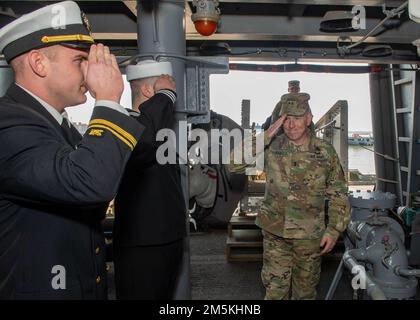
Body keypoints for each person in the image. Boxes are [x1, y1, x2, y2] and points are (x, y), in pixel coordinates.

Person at [0, 1, 144, 299]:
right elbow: (90, 184)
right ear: (39, 63)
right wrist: (107, 99)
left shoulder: (55, 123)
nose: (89, 70)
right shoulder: (7, 123)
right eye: (79, 60)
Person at [229, 93, 350, 300]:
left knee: (305, 293)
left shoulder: (324, 151)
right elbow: (233, 163)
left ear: (309, 118)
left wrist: (334, 229)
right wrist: (267, 134)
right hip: (276, 233)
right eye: (287, 119)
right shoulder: (272, 146)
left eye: (297, 118)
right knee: (275, 292)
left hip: (310, 236)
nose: (291, 125)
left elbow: (338, 191)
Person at [113, 60, 186, 299]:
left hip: (167, 238)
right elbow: (141, 139)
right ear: (148, 91)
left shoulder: (158, 129)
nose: (172, 95)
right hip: (141, 244)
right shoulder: (124, 124)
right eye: (167, 87)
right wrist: (165, 95)